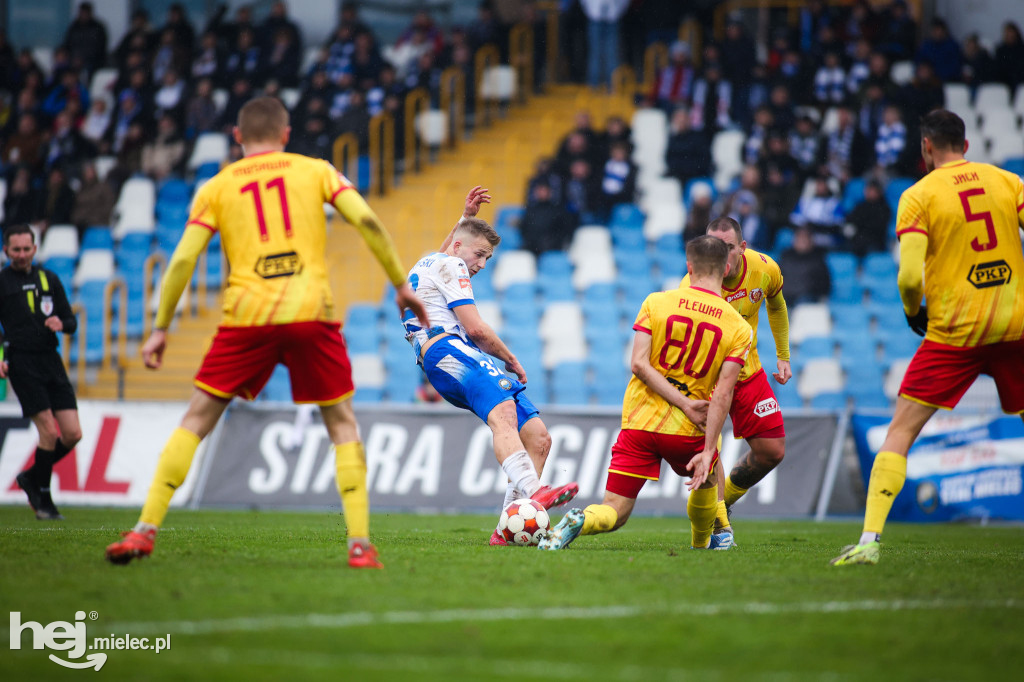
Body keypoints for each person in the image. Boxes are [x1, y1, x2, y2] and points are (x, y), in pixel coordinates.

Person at [105, 97, 429, 569]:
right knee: (341, 423)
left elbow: (181, 260)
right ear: (285, 133)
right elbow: (366, 219)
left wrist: (160, 328)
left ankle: (143, 531)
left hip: (246, 317)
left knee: (195, 419)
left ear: (237, 138)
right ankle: (359, 544)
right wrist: (400, 284)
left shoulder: (215, 187)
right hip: (310, 312)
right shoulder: (315, 170)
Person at [832, 110, 1024, 566]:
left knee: (900, 431)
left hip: (956, 332)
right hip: (1016, 325)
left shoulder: (918, 196)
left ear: (925, 148)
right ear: (966, 145)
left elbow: (908, 279)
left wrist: (913, 310)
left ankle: (870, 542)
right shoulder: (1006, 181)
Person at [538, 235, 751, 551]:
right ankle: (702, 545)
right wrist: (707, 447)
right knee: (707, 482)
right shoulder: (738, 327)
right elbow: (723, 395)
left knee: (615, 510)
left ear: (689, 267)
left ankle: (582, 520)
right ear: (727, 268)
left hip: (639, 422)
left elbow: (638, 364)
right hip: (689, 430)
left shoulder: (656, 302)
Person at [402, 186, 579, 545]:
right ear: (459, 248)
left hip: (453, 355)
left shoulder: (432, 261)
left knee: (539, 438)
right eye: (480, 255)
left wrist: (465, 218)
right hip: (449, 352)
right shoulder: (451, 263)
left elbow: (450, 249)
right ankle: (536, 492)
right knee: (504, 416)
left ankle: (505, 529)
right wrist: (511, 359)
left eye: (487, 258)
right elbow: (476, 329)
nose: (481, 264)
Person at [678, 217, 792, 549]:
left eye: (727, 248)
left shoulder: (765, 269)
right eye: (712, 247)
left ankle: (720, 503)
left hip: (747, 369)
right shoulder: (692, 284)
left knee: (772, 451)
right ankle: (719, 525)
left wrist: (783, 355)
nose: (719, 255)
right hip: (707, 376)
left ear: (742, 248)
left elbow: (777, 304)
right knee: (711, 449)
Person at [0, 224, 83, 520]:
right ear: (6, 250)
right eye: (16, 250)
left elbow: (71, 320)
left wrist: (62, 324)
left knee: (72, 434)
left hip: (51, 360)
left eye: (26, 249)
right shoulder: (2, 282)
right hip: (22, 363)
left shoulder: (49, 279)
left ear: (35, 249)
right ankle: (44, 502)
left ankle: (30, 477)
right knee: (48, 430)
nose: (21, 255)